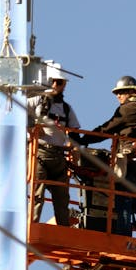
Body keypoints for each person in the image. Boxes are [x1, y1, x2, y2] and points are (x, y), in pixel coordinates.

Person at [91, 75, 136, 240]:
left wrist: (81, 138)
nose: (118, 96)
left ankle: (124, 240)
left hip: (131, 163)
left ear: (130, 92)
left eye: (121, 92)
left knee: (124, 203)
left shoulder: (128, 109)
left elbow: (107, 128)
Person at [26, 62, 83, 226]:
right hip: (40, 154)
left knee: (62, 196)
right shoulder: (37, 100)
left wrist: (75, 148)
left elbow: (75, 133)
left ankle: (63, 228)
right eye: (54, 81)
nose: (56, 85)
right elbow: (18, 108)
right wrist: (31, 127)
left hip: (58, 156)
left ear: (64, 85)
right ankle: (33, 224)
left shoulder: (66, 109)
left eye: (60, 82)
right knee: (38, 192)